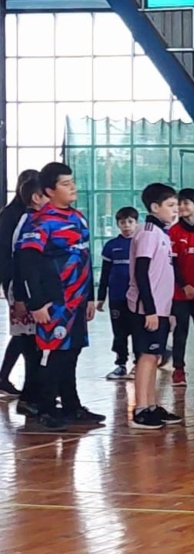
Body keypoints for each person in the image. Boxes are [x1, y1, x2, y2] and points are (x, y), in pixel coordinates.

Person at [18, 162, 105, 430]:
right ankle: (45, 408)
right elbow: (28, 264)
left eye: (73, 182)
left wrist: (89, 296)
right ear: (49, 191)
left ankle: (72, 405)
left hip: (77, 301)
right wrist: (36, 303)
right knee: (54, 354)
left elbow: (85, 257)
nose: (73, 188)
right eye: (66, 184)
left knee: (72, 351)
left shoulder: (78, 217)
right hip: (54, 302)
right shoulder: (40, 221)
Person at [127, 182, 182, 430]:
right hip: (146, 309)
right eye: (170, 205)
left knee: (155, 356)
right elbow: (142, 272)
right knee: (147, 357)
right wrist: (149, 309)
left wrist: (167, 311)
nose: (175, 210)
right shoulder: (148, 232)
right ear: (154, 207)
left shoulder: (162, 234)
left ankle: (151, 405)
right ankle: (140, 409)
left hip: (161, 308)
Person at [8, 176, 48, 416]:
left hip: (31, 292)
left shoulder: (37, 220)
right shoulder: (29, 223)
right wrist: (22, 298)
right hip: (25, 294)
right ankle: (28, 398)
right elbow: (21, 264)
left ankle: (35, 396)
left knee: (37, 348)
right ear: (36, 198)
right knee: (31, 349)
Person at [0, 169, 39, 397]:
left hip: (27, 280)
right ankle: (29, 389)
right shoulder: (13, 215)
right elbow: (9, 253)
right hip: (16, 281)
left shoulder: (30, 215)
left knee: (25, 333)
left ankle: (6, 378)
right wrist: (10, 284)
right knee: (24, 332)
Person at [169, 188, 194, 387]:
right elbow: (172, 263)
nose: (181, 207)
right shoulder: (174, 232)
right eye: (179, 203)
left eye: (186, 203)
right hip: (181, 293)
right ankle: (178, 369)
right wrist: (184, 285)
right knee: (180, 331)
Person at [97, 207, 139, 380]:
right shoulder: (111, 246)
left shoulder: (141, 244)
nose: (127, 225)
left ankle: (138, 364)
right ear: (117, 224)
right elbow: (105, 273)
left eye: (130, 222)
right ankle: (121, 364)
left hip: (137, 298)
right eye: (123, 222)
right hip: (117, 297)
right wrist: (101, 298)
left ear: (136, 223)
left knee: (137, 331)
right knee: (119, 333)